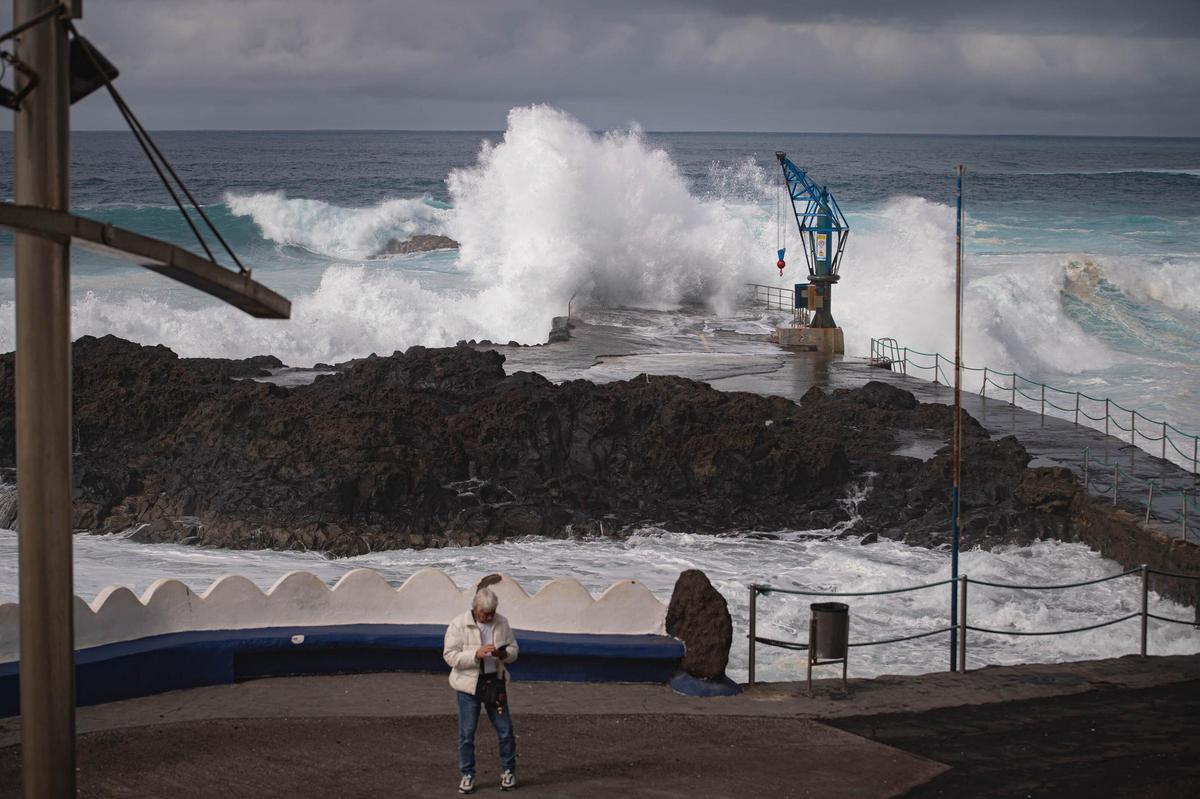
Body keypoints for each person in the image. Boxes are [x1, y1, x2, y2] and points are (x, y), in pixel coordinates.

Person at [443, 586, 519, 794]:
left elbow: (514, 650)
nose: (489, 617)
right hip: (469, 686)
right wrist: (476, 654)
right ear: (475, 609)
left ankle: (508, 772)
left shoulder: (502, 622)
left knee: (505, 731)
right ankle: (467, 774)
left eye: (492, 612)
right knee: (467, 733)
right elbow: (450, 656)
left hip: (495, 683)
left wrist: (504, 655)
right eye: (485, 613)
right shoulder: (459, 624)